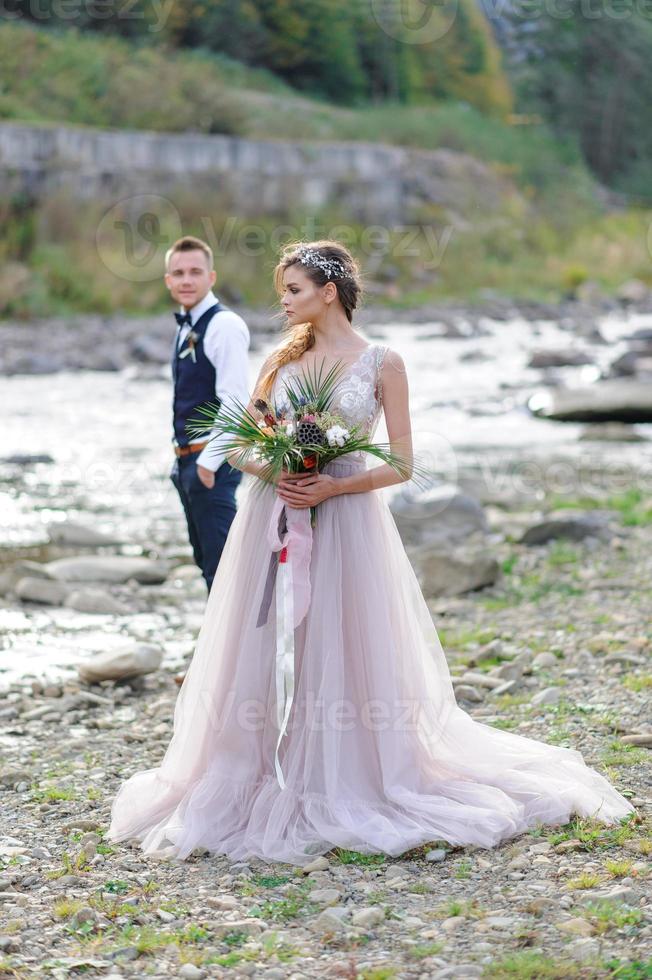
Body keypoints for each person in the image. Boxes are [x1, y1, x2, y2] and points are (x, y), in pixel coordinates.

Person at [107, 240, 635, 867]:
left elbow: (403, 464)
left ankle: (345, 772)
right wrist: (276, 472)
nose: (284, 301)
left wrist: (334, 483)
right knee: (257, 646)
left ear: (329, 292)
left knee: (346, 642)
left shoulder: (383, 362)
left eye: (294, 289)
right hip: (273, 516)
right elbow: (240, 442)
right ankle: (247, 770)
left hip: (349, 518)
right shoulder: (279, 361)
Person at [165, 234, 250, 595]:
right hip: (186, 461)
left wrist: (207, 464)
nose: (186, 280)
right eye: (178, 273)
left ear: (211, 277)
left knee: (226, 575)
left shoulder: (223, 325)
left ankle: (238, 652)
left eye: (195, 272)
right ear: (168, 280)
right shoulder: (186, 326)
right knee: (208, 566)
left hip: (211, 463)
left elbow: (236, 400)